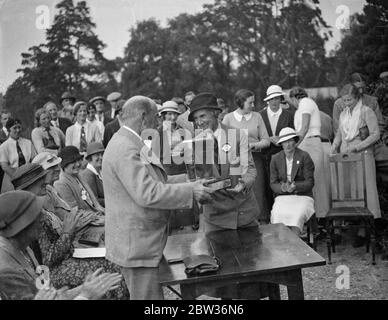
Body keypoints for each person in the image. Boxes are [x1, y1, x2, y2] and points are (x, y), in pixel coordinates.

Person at [102, 95, 213, 300]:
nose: (158, 123)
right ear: (143, 117)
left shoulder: (133, 142)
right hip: (137, 247)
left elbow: (158, 181)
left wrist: (191, 180)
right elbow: (147, 193)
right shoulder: (126, 148)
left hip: (144, 244)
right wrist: (191, 191)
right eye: (155, 118)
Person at [11, 162, 128, 299]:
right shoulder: (33, 215)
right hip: (51, 272)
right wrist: (67, 232)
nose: (46, 183)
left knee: (113, 260)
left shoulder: (39, 205)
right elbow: (47, 260)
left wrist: (70, 229)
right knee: (107, 268)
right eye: (40, 182)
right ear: (28, 188)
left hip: (65, 258)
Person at [331, 83, 381, 246]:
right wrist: (333, 148)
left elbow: (375, 134)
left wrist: (357, 147)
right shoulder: (344, 113)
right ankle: (349, 227)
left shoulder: (367, 111)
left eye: (349, 100)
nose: (346, 104)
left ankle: (363, 232)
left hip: (363, 155)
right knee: (350, 190)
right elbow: (339, 133)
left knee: (365, 191)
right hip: (347, 156)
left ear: (357, 97)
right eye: (344, 101)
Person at [222, 89, 271, 222]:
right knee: (237, 187)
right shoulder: (228, 118)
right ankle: (239, 220)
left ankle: (259, 220)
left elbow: (266, 140)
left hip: (255, 158)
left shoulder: (257, 117)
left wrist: (251, 146)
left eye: (253, 102)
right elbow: (222, 142)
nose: (253, 106)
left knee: (257, 190)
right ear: (240, 102)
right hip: (235, 161)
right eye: (250, 103)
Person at [288, 87, 330, 219]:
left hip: (311, 143)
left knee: (315, 180)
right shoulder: (299, 109)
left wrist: (294, 146)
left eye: (292, 101)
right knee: (305, 181)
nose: (292, 104)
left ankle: (321, 216)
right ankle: (310, 217)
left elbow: (304, 128)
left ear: (295, 97)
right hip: (305, 144)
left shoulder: (305, 102)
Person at [270, 127, 315, 235]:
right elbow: (273, 183)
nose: (288, 144)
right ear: (281, 143)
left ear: (295, 141)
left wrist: (295, 186)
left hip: (302, 196)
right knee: (277, 214)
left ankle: (294, 246)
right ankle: (282, 247)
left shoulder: (304, 156)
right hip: (283, 197)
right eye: (285, 142)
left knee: (297, 215)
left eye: (290, 141)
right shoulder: (275, 158)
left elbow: (310, 182)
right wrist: (283, 188)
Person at [259, 85, 294, 220]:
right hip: (265, 155)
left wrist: (281, 139)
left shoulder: (288, 115)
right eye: (271, 99)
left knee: (283, 184)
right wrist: (268, 139)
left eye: (277, 98)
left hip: (283, 155)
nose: (274, 101)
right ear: (267, 100)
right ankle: (269, 216)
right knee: (267, 186)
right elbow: (258, 135)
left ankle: (285, 216)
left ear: (280, 99)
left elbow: (292, 134)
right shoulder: (260, 115)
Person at [54, 146, 105, 214]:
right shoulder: (61, 183)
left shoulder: (77, 175)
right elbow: (74, 212)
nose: (78, 164)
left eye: (78, 160)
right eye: (73, 162)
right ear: (64, 163)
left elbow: (94, 202)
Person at [158, 101, 186, 175]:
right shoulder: (158, 132)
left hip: (183, 168)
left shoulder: (182, 130)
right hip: (167, 170)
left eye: (175, 114)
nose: (173, 117)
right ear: (164, 115)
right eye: (169, 114)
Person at [80, 142, 105, 206]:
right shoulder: (88, 175)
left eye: (102, 154)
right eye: (97, 155)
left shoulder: (100, 171)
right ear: (90, 158)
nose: (101, 157)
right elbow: (94, 201)